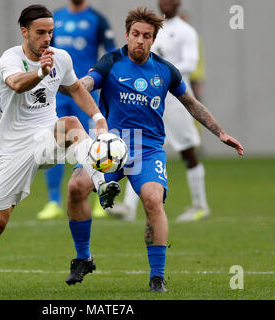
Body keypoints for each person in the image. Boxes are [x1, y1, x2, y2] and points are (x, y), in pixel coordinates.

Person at [64, 6, 243, 292]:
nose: (140, 40)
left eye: (146, 36)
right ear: (127, 34)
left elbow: (192, 103)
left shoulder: (164, 70)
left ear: (153, 38)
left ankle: (157, 276)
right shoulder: (111, 61)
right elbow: (87, 82)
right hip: (111, 147)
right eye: (135, 34)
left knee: (152, 200)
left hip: (147, 149)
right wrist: (71, 84)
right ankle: (83, 258)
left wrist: (220, 132)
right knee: (75, 188)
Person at [0, 4, 121, 295]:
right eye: (40, 32)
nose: (47, 39)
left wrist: (99, 119)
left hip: (47, 138)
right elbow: (16, 84)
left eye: (51, 33)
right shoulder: (10, 58)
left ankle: (102, 183)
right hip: (15, 148)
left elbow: (76, 88)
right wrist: (41, 73)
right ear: (24, 32)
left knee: (69, 123)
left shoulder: (61, 58)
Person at [107, 0, 211, 222]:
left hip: (174, 99)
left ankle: (200, 204)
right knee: (137, 146)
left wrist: (161, 75)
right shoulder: (153, 29)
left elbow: (191, 64)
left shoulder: (186, 31)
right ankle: (128, 206)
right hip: (147, 97)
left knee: (187, 151)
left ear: (178, 3)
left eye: (171, 0)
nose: (166, 3)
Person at [37, 0, 116, 220]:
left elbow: (111, 55)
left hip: (84, 94)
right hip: (57, 94)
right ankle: (53, 201)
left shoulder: (97, 19)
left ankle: (99, 197)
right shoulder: (56, 18)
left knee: (90, 146)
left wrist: (97, 77)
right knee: (55, 143)